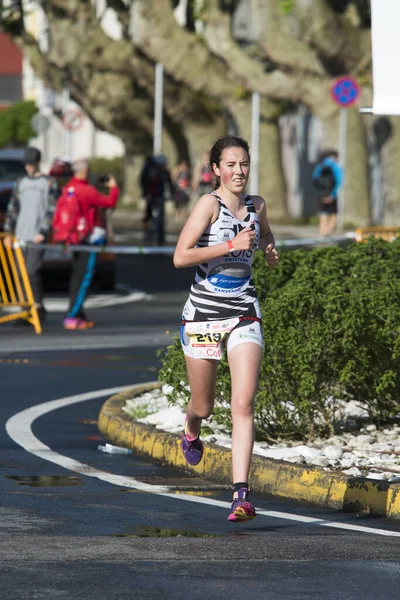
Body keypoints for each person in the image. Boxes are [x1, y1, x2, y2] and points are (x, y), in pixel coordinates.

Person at [173, 135, 279, 522]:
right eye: (230, 165)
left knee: (243, 403)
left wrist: (268, 249)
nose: (239, 172)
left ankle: (240, 495)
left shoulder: (257, 205)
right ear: (216, 169)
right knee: (204, 405)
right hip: (202, 314)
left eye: (244, 164)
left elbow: (264, 233)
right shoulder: (208, 205)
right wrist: (228, 244)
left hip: (244, 311)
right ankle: (190, 428)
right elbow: (180, 256)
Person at [58, 158, 119, 330]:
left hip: (73, 238)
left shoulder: (69, 188)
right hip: (88, 240)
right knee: (84, 278)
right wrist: (113, 187)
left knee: (77, 275)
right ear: (85, 171)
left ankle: (78, 313)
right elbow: (109, 202)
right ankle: (72, 316)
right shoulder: (87, 191)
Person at [3, 146, 60, 324]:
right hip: (20, 234)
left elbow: (52, 209)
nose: (29, 168)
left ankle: (37, 306)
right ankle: (25, 310)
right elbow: (13, 209)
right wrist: (8, 233)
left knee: (32, 270)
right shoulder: (21, 183)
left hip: (36, 235)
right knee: (19, 273)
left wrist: (43, 231)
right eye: (26, 165)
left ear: (37, 163)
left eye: (31, 164)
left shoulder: (49, 183)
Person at [140, 155, 173, 245]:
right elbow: (169, 183)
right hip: (154, 196)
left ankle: (154, 237)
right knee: (151, 216)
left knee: (154, 217)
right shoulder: (153, 171)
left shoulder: (153, 170)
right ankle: (152, 236)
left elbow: (169, 183)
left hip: (156, 196)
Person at [312, 150, 343, 237]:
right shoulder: (336, 166)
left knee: (323, 213)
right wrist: (332, 195)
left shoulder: (320, 166)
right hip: (332, 194)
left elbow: (314, 179)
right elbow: (339, 181)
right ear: (335, 157)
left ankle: (322, 232)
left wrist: (320, 194)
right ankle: (328, 232)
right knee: (333, 214)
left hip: (321, 194)